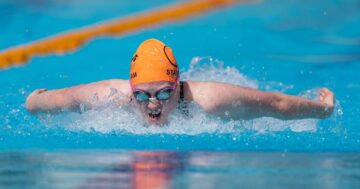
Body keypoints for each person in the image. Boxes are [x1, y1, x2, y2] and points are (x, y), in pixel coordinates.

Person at [25, 39, 335, 125]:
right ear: (130, 91)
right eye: (143, 96)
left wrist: (322, 109)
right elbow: (59, 99)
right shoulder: (107, 95)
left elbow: (275, 104)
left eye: (163, 92)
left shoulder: (209, 99)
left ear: (179, 86)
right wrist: (35, 101)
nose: (154, 104)